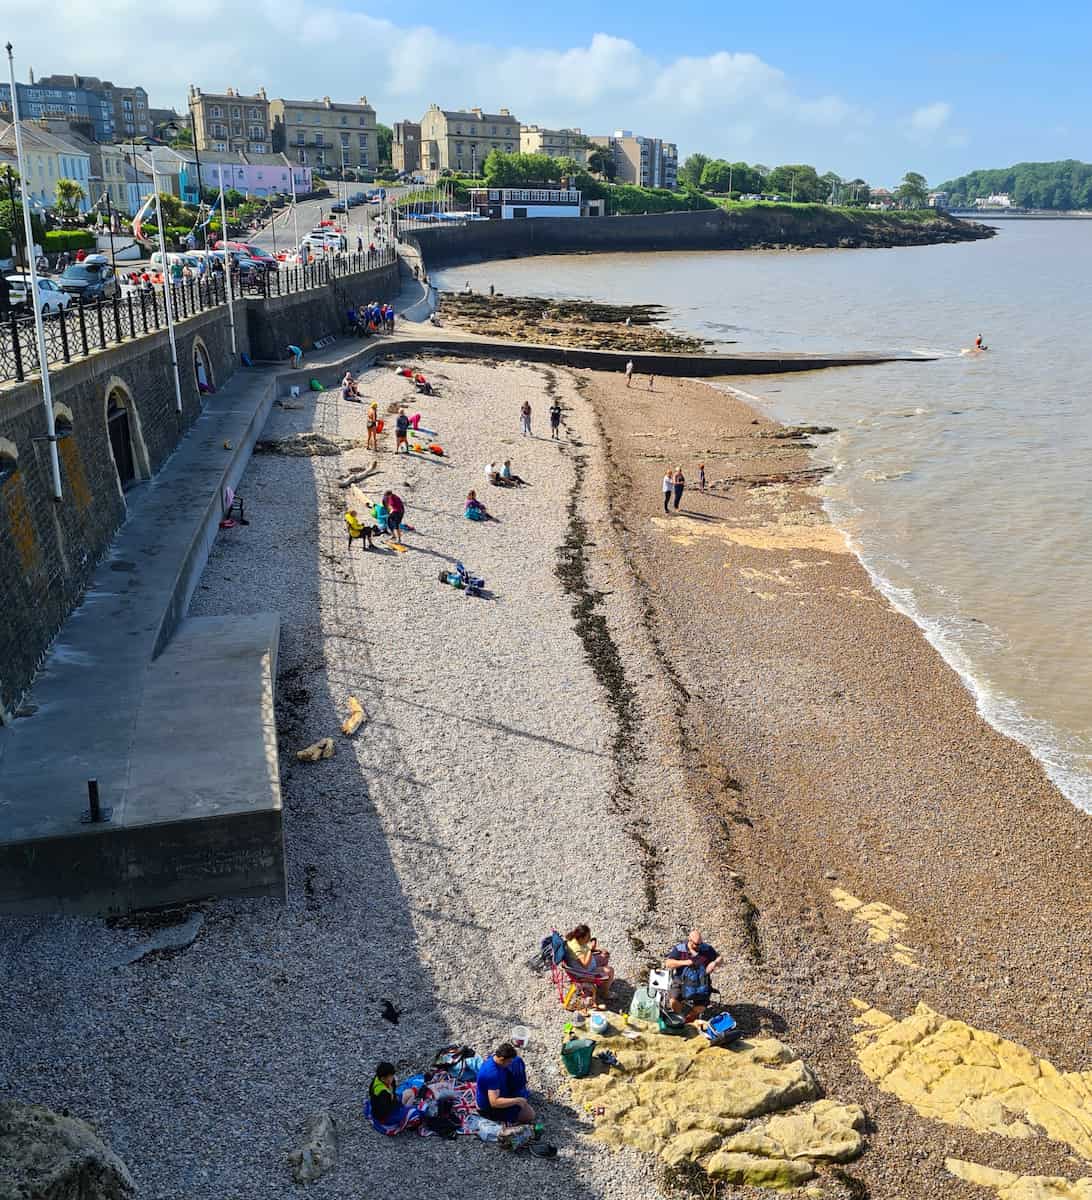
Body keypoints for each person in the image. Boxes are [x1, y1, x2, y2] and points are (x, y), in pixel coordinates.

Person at [664, 928, 722, 1022]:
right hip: (681, 980)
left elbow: (720, 958)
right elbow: (668, 963)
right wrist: (685, 962)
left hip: (701, 982)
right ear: (689, 940)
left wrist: (714, 963)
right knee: (673, 1001)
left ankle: (688, 1020)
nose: (698, 946)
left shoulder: (706, 948)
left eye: (700, 944)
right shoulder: (680, 949)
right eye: (696, 944)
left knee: (701, 1007)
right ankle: (678, 1017)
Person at [476, 1043, 534, 1126]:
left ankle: (519, 1092)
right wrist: (517, 1101)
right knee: (530, 1115)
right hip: (490, 1107)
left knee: (517, 1060)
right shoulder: (491, 1074)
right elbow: (494, 1102)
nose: (510, 1063)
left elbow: (513, 1062)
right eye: (509, 1061)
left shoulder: (495, 1058)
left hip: (502, 1088)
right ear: (502, 1059)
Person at [366, 1061, 422, 1135]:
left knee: (409, 1093)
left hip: (386, 1106)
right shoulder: (383, 1093)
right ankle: (407, 1122)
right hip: (385, 1117)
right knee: (416, 1113)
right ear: (383, 1078)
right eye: (391, 1076)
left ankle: (405, 1112)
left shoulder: (378, 1080)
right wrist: (397, 1105)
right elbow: (384, 1111)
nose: (393, 1078)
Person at [564, 924, 614, 1003]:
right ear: (581, 938)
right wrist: (590, 950)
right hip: (584, 972)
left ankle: (603, 984)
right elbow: (585, 964)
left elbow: (584, 948)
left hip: (588, 964)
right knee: (610, 971)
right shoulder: (576, 948)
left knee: (605, 955)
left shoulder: (575, 939)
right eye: (587, 937)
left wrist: (596, 949)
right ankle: (605, 993)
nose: (589, 939)